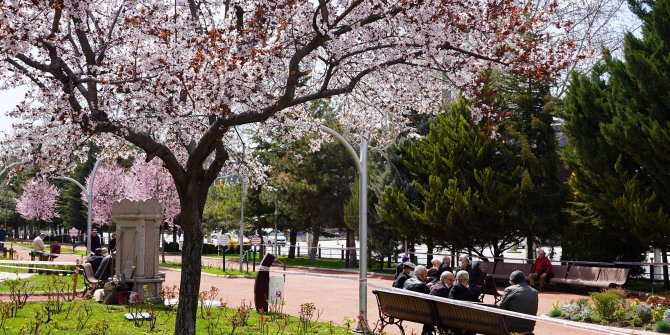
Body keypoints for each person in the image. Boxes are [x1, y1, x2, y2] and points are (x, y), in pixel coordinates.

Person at [403, 265, 433, 335]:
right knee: (431, 311)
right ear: (422, 275)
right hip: (419, 313)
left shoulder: (407, 281)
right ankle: (427, 332)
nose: (427, 276)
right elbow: (430, 299)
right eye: (426, 274)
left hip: (405, 310)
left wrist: (425, 286)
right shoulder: (422, 286)